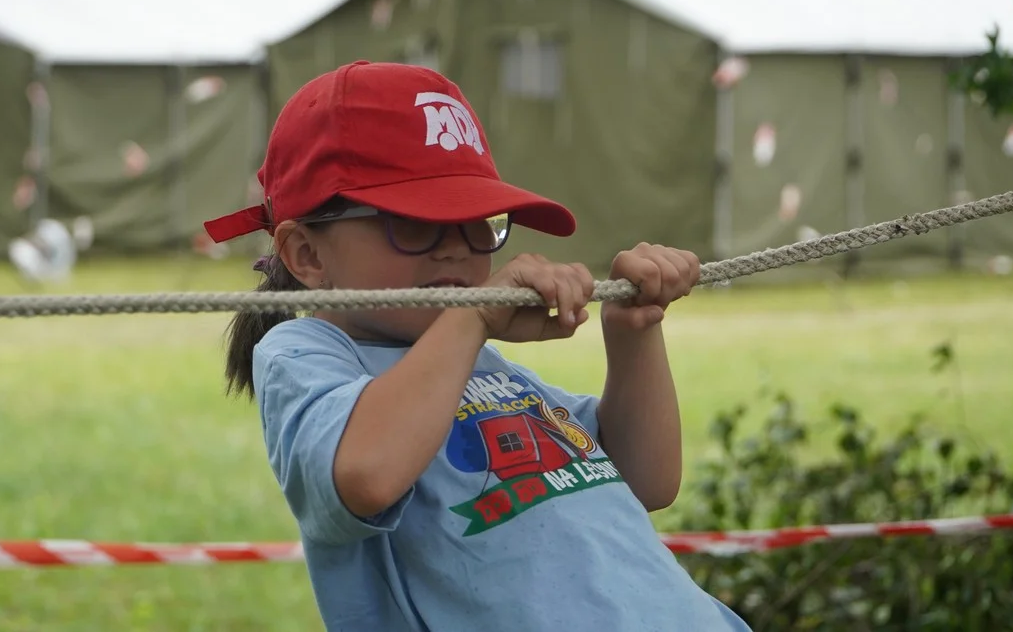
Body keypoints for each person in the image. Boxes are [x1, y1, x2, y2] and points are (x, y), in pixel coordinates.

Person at [203, 60, 751, 632]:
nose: (458, 251)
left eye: (477, 221)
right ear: (309, 256)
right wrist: (473, 319)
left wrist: (634, 330)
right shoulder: (305, 354)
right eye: (413, 224)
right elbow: (366, 473)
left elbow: (647, 480)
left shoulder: (487, 369)